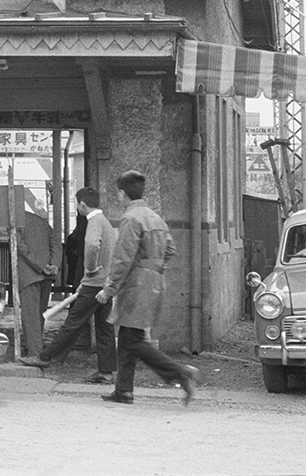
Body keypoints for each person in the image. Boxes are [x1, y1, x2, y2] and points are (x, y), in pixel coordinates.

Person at [96, 171, 200, 405]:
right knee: (128, 336)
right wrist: (154, 267)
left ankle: (180, 372)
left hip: (136, 284)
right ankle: (123, 391)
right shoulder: (155, 218)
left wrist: (109, 289)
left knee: (132, 340)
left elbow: (122, 258)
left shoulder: (130, 219)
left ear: (122, 193)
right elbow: (170, 249)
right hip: (154, 281)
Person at [19, 187, 117, 382]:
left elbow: (92, 245)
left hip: (93, 284)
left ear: (82, 204)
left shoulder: (94, 222)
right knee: (104, 328)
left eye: (76, 203)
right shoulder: (106, 222)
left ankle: (44, 357)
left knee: (71, 325)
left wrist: (89, 271)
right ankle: (106, 371)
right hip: (104, 283)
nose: (76, 206)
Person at [16, 199, 62, 358]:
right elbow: (56, 243)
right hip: (47, 276)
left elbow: (22, 249)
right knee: (39, 313)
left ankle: (35, 354)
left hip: (30, 275)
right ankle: (35, 346)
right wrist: (54, 265)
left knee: (30, 317)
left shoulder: (15, 225)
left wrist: (40, 266)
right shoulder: (41, 221)